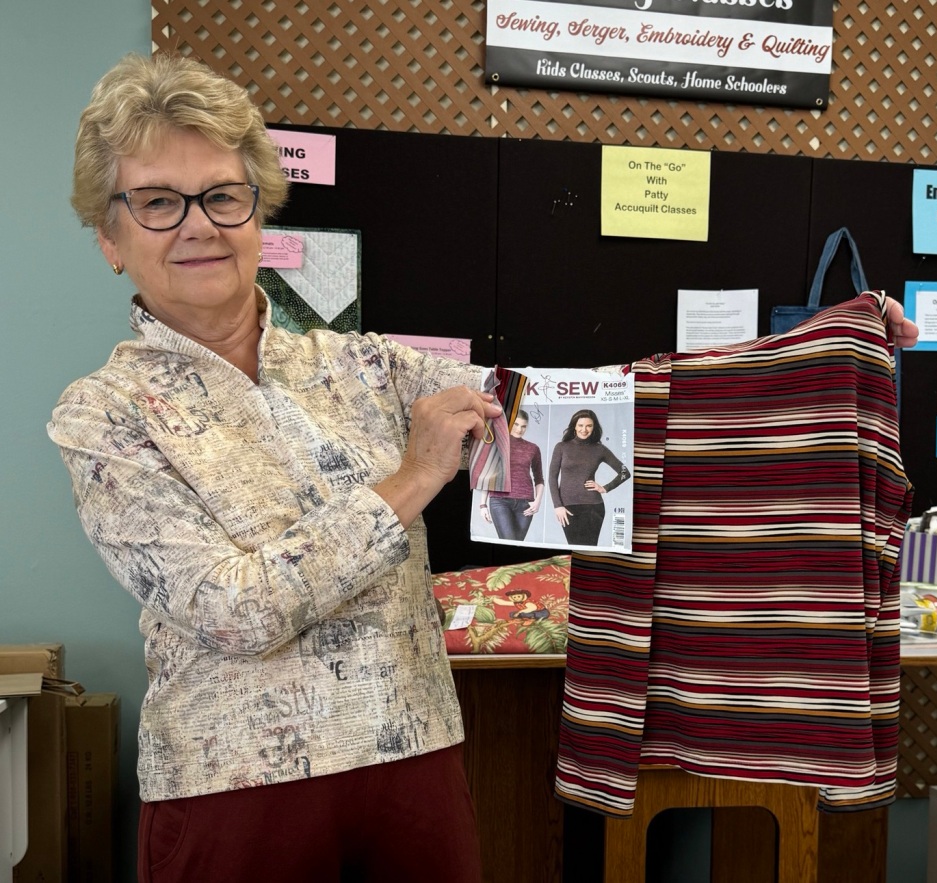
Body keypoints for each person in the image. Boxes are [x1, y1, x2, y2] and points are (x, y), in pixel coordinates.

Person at [47, 52, 498, 883]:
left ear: (258, 214)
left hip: (414, 763)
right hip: (235, 794)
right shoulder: (103, 414)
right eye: (156, 202)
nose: (198, 224)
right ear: (109, 239)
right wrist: (409, 481)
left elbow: (537, 411)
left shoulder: (363, 366)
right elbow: (234, 609)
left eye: (222, 195)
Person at [548, 408, 631, 547]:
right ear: (574, 426)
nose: (584, 429)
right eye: (580, 425)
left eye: (589, 426)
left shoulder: (599, 449)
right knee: (574, 548)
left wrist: (605, 487)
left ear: (594, 427)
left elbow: (624, 472)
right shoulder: (562, 447)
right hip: (568, 507)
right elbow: (552, 477)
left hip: (593, 507)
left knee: (589, 550)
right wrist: (557, 506)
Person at [480, 410, 545, 541]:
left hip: (525, 503)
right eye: (516, 424)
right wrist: (482, 505)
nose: (519, 429)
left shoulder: (533, 448)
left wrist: (537, 502)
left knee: (517, 544)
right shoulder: (495, 444)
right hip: (500, 500)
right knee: (508, 541)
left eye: (523, 426)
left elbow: (539, 478)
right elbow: (487, 475)